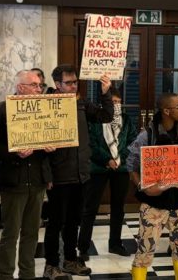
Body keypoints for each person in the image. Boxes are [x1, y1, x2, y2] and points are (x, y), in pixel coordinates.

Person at [43, 64, 114, 279]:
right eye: (69, 83)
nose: (74, 86)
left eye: (75, 82)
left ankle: (70, 260)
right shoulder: (45, 104)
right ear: (57, 84)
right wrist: (47, 175)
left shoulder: (81, 103)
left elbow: (105, 116)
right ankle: (51, 265)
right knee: (56, 222)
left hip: (81, 173)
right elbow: (39, 145)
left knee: (74, 221)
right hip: (58, 174)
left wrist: (106, 93)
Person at [0, 70, 54, 280]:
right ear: (20, 87)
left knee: (32, 232)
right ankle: (5, 275)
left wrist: (50, 147)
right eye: (34, 85)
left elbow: (49, 137)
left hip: (37, 180)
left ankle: (27, 274)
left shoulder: (44, 110)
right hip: (13, 181)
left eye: (40, 86)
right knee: (11, 233)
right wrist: (14, 151)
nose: (39, 89)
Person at [126, 92, 178, 280]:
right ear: (166, 111)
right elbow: (131, 165)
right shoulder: (147, 136)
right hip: (153, 205)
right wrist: (143, 186)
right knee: (145, 251)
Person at [80, 86, 136, 258]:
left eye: (118, 102)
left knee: (118, 207)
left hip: (121, 168)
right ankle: (83, 247)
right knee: (90, 208)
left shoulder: (126, 119)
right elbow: (91, 143)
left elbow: (132, 141)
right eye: (113, 102)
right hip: (99, 168)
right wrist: (107, 160)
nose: (116, 105)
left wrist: (120, 158)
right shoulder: (97, 119)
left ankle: (115, 244)